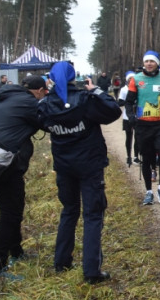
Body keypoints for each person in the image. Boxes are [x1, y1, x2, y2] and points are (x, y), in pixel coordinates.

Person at [38, 61, 122, 283]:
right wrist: (95, 90)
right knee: (93, 215)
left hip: (65, 166)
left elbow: (42, 124)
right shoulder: (85, 99)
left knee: (69, 211)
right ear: (74, 76)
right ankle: (92, 271)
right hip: (90, 166)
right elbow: (113, 112)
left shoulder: (46, 103)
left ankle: (61, 262)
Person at [0, 75, 49, 281]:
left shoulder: (7, 97)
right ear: (38, 91)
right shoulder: (27, 102)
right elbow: (47, 123)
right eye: (44, 93)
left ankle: (16, 253)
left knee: (13, 207)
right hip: (4, 163)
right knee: (10, 214)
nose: (44, 96)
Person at [126, 51, 160, 205]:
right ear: (143, 63)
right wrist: (131, 116)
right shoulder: (136, 79)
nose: (149, 64)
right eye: (146, 61)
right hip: (142, 125)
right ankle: (149, 191)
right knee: (147, 158)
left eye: (152, 61)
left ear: (157, 63)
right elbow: (129, 102)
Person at [117, 70, 138, 166]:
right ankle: (128, 156)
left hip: (138, 115)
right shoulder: (124, 89)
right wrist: (128, 102)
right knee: (129, 137)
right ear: (127, 80)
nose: (131, 80)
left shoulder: (138, 88)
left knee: (137, 137)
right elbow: (119, 102)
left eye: (133, 78)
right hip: (127, 116)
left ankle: (136, 156)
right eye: (129, 79)